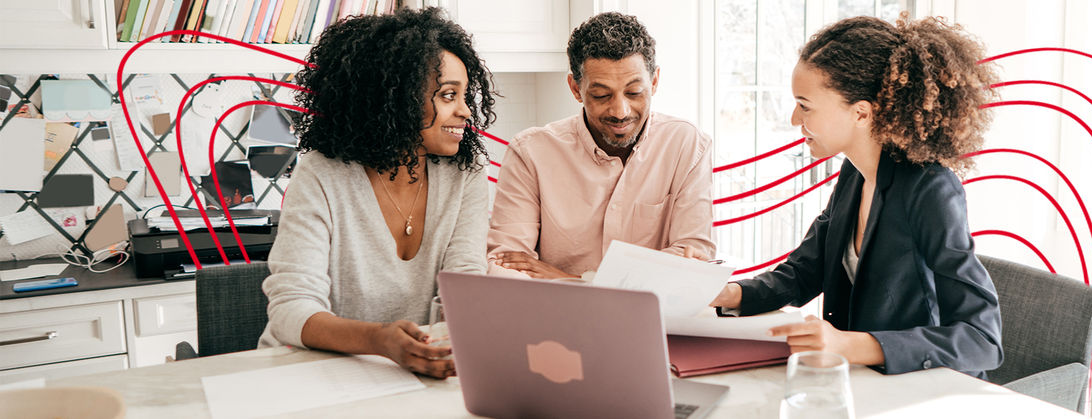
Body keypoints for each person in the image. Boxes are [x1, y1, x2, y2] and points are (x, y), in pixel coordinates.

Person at [710, 14, 1004, 379]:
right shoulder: (854, 173)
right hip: (863, 383)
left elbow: (982, 340)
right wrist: (725, 294)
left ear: (861, 113)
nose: (792, 119)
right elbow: (803, 274)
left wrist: (849, 346)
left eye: (805, 105)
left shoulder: (930, 190)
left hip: (920, 389)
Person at [258, 8, 497, 379]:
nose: (466, 111)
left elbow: (464, 287)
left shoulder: (465, 176)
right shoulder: (322, 173)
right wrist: (379, 340)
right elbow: (291, 309)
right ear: (396, 97)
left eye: (465, 95)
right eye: (448, 95)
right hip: (311, 373)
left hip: (411, 372)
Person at [487, 12, 715, 279]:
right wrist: (646, 274)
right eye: (601, 95)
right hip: (556, 318)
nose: (620, 111)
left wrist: (572, 280)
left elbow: (693, 259)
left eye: (634, 92)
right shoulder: (530, 153)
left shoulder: (687, 145)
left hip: (652, 318)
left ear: (654, 82)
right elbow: (506, 265)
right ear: (575, 88)